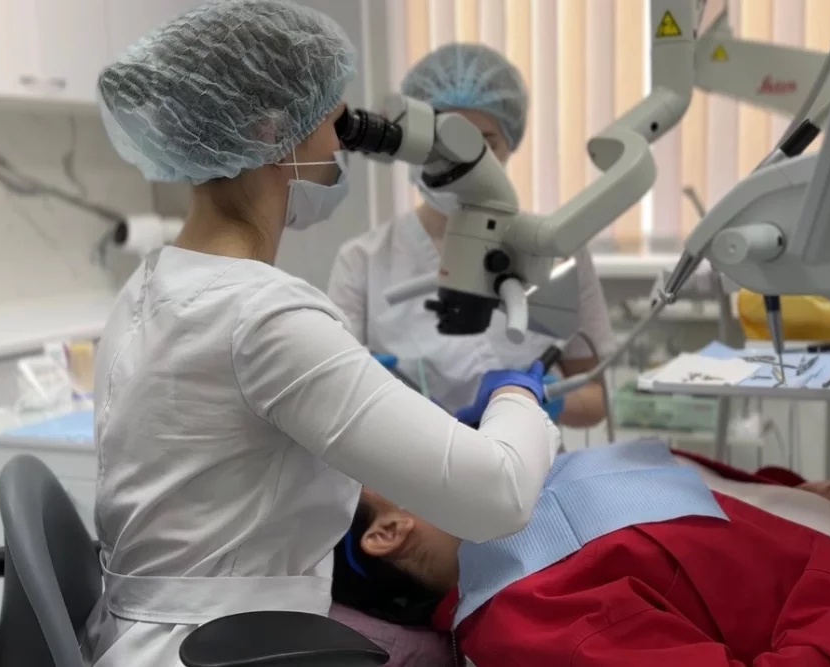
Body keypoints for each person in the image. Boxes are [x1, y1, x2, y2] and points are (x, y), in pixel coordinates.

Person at [85, 3, 560, 666]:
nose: (342, 148)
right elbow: (498, 496)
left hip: (153, 635)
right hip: (224, 649)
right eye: (335, 124)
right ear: (271, 131)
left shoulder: (151, 285)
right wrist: (518, 394)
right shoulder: (261, 315)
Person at [335, 440, 830, 665]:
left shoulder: (522, 491)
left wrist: (799, 496)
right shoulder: (530, 619)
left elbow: (687, 512)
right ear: (389, 530)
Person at [326, 43, 616, 427]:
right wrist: (366, 390)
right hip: (411, 459)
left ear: (510, 144)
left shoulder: (556, 247)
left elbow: (596, 398)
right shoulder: (362, 261)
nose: (462, 158)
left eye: (484, 143)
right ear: (410, 143)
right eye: (442, 141)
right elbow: (333, 403)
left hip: (529, 456)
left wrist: (549, 399)